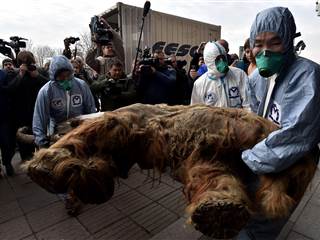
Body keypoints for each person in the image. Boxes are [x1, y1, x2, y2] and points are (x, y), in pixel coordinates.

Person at [238, 7, 320, 240]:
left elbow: (297, 136)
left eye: (274, 43)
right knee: (248, 210)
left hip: (293, 164)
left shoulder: (307, 76)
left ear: (288, 41)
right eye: (258, 43)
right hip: (261, 156)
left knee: (264, 222)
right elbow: (255, 119)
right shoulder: (256, 78)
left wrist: (245, 159)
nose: (265, 51)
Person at [33, 55, 96, 148]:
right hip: (57, 134)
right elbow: (40, 118)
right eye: (62, 77)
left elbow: (91, 110)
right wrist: (41, 142)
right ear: (54, 77)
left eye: (68, 75)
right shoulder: (46, 91)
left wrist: (93, 132)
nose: (66, 79)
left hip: (80, 130)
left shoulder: (81, 86)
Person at [9, 51, 47, 161]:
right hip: (21, 115)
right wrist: (20, 74)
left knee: (42, 141)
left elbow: (50, 86)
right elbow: (10, 90)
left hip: (39, 112)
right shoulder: (14, 73)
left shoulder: (39, 71)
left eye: (29, 62)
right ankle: (27, 162)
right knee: (25, 145)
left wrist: (37, 76)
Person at [190, 41, 250, 110]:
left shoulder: (239, 75)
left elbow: (248, 105)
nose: (222, 62)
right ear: (209, 61)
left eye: (223, 58)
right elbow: (196, 112)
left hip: (237, 120)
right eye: (218, 59)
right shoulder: (199, 84)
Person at [0, 60, 17, 176]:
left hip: (4, 114)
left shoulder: (3, 74)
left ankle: (7, 163)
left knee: (6, 141)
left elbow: (10, 89)